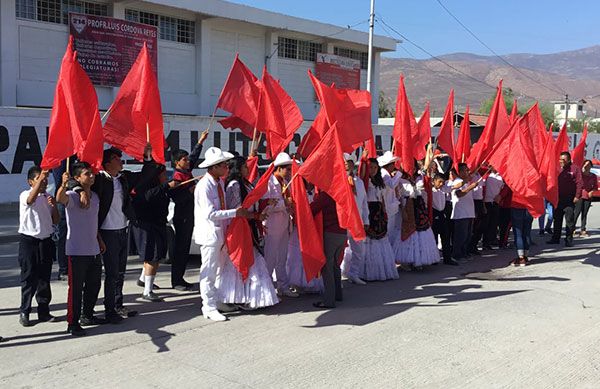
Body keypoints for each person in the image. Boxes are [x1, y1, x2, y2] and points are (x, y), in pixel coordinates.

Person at [194, 147, 253, 321]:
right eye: (223, 165)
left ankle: (218, 300)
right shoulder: (204, 186)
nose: (227, 168)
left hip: (221, 233)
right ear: (213, 167)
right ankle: (209, 306)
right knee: (209, 271)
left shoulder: (219, 182)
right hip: (210, 234)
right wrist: (235, 213)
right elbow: (211, 214)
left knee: (219, 269)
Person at [217, 156, 279, 309]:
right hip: (240, 228)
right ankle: (235, 297)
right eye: (245, 166)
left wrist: (264, 204)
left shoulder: (246, 183)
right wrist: (256, 215)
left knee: (254, 260)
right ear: (238, 168)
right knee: (240, 261)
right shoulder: (234, 185)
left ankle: (250, 297)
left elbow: (252, 204)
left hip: (249, 227)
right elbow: (238, 211)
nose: (247, 169)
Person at [89, 147, 141, 322]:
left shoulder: (123, 179)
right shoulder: (99, 179)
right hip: (107, 232)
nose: (120, 160)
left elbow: (146, 174)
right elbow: (76, 181)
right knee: (111, 274)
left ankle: (118, 305)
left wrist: (148, 157)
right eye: (115, 158)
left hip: (122, 230)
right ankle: (109, 309)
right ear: (107, 163)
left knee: (120, 273)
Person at [56, 162, 106, 336]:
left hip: (93, 249)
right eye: (86, 174)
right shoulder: (72, 195)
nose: (91, 176)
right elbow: (59, 199)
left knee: (94, 285)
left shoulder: (96, 197)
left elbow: (93, 222)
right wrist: (63, 184)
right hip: (76, 251)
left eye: (91, 173)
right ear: (77, 178)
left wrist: (99, 239)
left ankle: (88, 315)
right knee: (76, 289)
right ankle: (72, 322)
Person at [17, 166, 59, 327]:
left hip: (45, 241)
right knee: (29, 278)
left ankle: (43, 310)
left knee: (44, 278)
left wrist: (54, 205)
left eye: (45, 179)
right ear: (30, 181)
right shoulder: (25, 195)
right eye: (39, 179)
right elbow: (30, 200)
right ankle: (25, 310)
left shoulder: (48, 197)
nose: (44, 181)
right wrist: (42, 177)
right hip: (29, 241)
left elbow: (55, 220)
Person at [131, 156, 175, 302]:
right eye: (163, 174)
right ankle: (147, 291)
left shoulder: (161, 189)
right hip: (147, 225)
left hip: (158, 223)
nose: (165, 177)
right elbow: (147, 197)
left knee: (156, 254)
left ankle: (144, 279)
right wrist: (166, 186)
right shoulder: (145, 189)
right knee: (152, 256)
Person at [169, 130, 208, 290]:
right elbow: (176, 197)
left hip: (190, 215)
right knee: (180, 248)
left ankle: (181, 278)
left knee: (185, 249)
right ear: (177, 162)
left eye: (186, 159)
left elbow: (194, 156)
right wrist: (190, 191)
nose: (187, 162)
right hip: (182, 216)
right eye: (184, 160)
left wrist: (200, 141)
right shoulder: (176, 177)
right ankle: (176, 280)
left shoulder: (186, 171)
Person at [262, 152, 298, 297]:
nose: (289, 172)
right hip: (272, 224)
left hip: (284, 224)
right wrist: (285, 204)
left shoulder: (284, 183)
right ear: (279, 168)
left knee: (282, 256)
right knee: (270, 257)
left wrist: (288, 206)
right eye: (287, 169)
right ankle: (268, 288)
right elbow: (265, 206)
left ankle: (283, 285)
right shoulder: (269, 183)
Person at [360, 158, 398, 281]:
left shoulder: (380, 182)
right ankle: (365, 270)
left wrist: (384, 212)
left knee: (381, 239)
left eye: (375, 168)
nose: (373, 170)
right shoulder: (364, 182)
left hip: (379, 211)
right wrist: (364, 163)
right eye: (370, 167)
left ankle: (380, 268)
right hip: (369, 210)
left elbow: (382, 198)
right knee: (368, 240)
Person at [310, 190, 347, 309]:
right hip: (342, 233)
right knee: (335, 265)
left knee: (327, 267)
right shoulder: (340, 192)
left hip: (331, 233)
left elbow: (311, 209)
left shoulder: (325, 195)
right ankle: (338, 294)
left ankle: (329, 300)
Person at [341, 153, 369, 285]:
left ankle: (354, 274)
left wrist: (366, 220)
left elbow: (364, 203)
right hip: (343, 220)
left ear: (353, 164)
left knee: (359, 250)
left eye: (349, 162)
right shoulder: (338, 180)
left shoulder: (359, 182)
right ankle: (339, 274)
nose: (347, 164)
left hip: (357, 221)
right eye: (344, 162)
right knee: (339, 250)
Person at [548, 152, 582, 247]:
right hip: (558, 199)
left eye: (563, 160)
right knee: (557, 219)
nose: (561, 161)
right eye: (560, 159)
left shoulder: (575, 169)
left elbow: (579, 183)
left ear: (569, 159)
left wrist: (577, 196)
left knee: (569, 221)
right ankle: (556, 238)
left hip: (570, 199)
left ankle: (568, 239)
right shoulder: (558, 168)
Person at [450, 163, 480, 260]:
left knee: (467, 235)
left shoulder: (466, 181)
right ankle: (457, 255)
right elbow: (459, 194)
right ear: (460, 171)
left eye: (468, 170)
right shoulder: (457, 182)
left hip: (469, 212)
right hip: (461, 213)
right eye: (466, 170)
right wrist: (470, 187)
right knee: (460, 236)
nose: (468, 172)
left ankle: (464, 253)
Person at [431, 174, 457, 265]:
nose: (441, 184)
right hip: (434, 214)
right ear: (434, 181)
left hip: (442, 214)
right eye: (439, 182)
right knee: (434, 238)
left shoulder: (443, 189)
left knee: (446, 237)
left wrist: (465, 180)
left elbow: (455, 186)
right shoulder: (430, 190)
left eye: (443, 182)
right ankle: (434, 258)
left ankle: (447, 258)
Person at [481, 168, 504, 249]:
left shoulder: (501, 176)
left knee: (493, 224)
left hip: (496, 202)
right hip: (487, 202)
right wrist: (483, 204)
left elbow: (504, 188)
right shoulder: (487, 176)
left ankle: (489, 242)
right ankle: (484, 242)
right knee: (485, 224)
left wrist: (500, 196)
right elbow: (482, 189)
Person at [574, 159, 597, 237]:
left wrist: (592, 191)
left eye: (589, 165)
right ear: (583, 165)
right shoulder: (580, 175)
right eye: (586, 165)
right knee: (576, 213)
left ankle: (583, 229)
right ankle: (572, 228)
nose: (587, 166)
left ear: (591, 166)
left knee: (584, 214)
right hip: (580, 196)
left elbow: (595, 186)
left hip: (588, 197)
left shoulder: (593, 176)